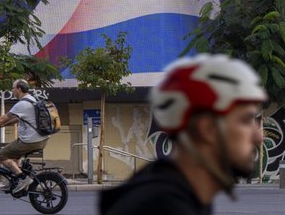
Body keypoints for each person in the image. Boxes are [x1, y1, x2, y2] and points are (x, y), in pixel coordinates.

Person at [99, 54, 267, 215]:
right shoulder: (161, 207)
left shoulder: (181, 193)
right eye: (246, 121)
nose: (259, 137)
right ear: (207, 129)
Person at [0, 79, 48, 193]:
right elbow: (16, 119)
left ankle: (23, 179)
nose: (12, 90)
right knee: (13, 158)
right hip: (40, 139)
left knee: (2, 155)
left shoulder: (22, 104)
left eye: (13, 88)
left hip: (30, 141)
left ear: (19, 89)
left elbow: (3, 118)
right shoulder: (32, 100)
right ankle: (12, 182)